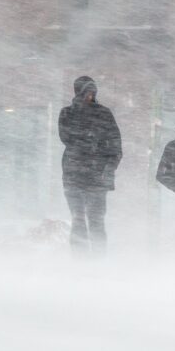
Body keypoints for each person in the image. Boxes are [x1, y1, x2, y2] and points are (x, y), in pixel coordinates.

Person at [58, 76, 122, 256]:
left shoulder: (104, 113)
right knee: (78, 220)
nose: (90, 95)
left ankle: (98, 260)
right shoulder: (67, 113)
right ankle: (80, 260)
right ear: (78, 92)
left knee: (96, 221)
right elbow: (66, 138)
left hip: (96, 178)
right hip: (74, 176)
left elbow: (116, 146)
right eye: (86, 92)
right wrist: (92, 141)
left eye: (92, 92)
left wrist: (108, 169)